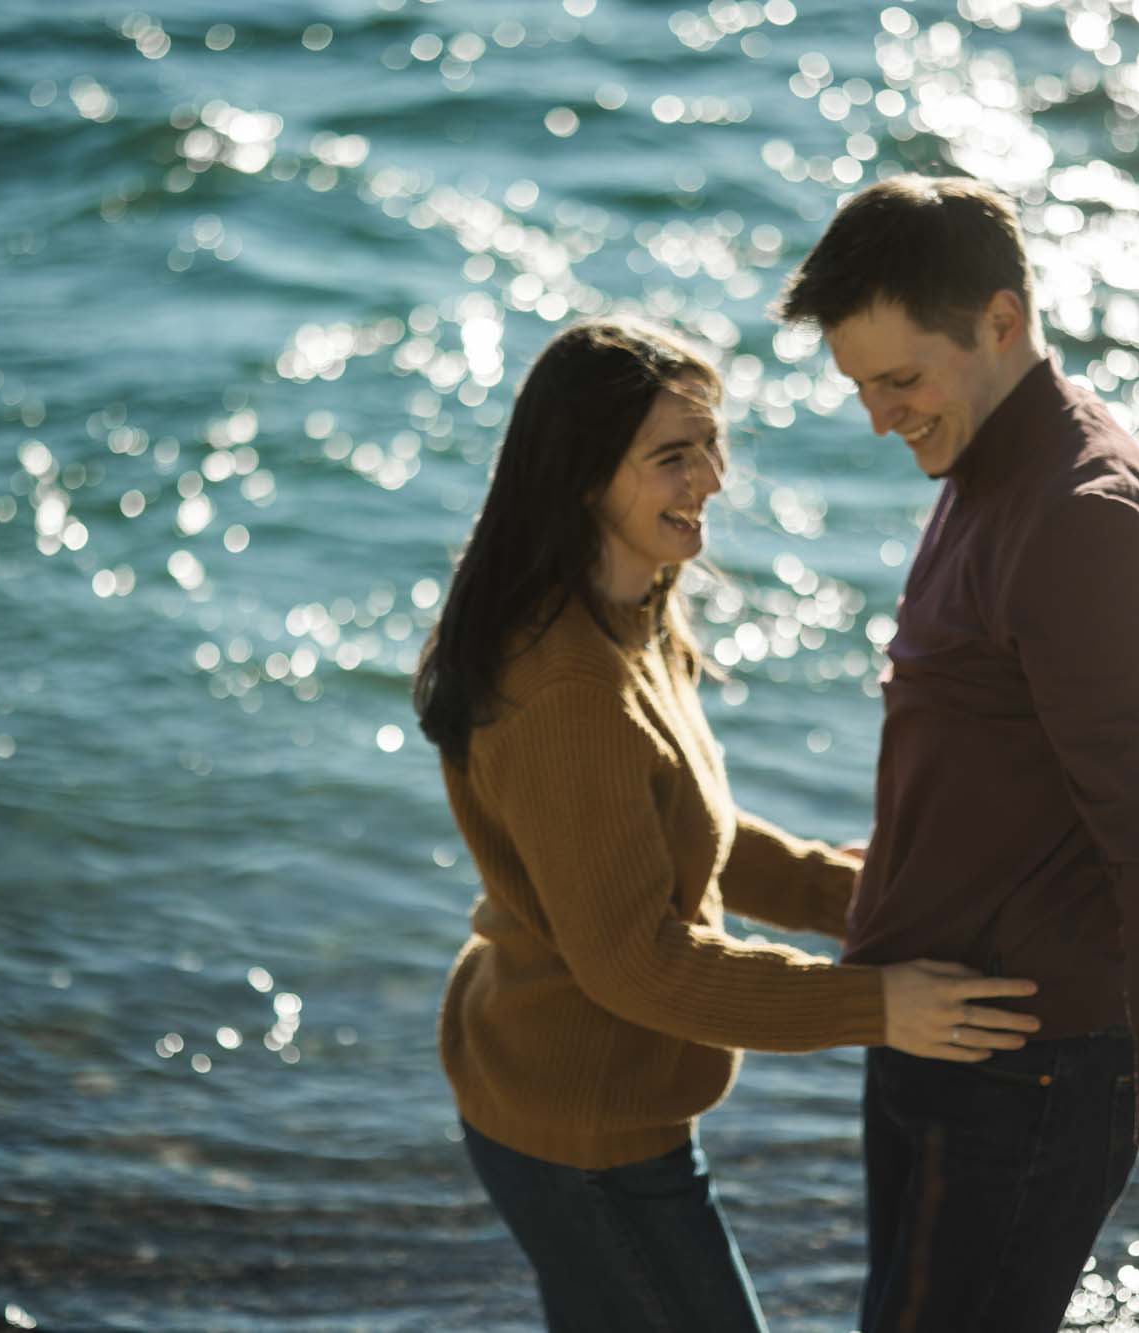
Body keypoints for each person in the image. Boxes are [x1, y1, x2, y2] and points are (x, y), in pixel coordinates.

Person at [413, 316, 1043, 1333]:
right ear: (583, 475)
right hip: (580, 1127)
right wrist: (875, 1005)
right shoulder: (566, 690)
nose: (709, 477)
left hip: (597, 1098)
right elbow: (639, 965)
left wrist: (845, 898)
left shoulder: (629, 607)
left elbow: (672, 827)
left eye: (710, 444)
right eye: (671, 457)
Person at [774, 174, 1139, 1332]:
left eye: (899, 380)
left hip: (1024, 1070)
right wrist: (895, 871)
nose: (881, 418)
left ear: (999, 322)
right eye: (859, 388)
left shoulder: (1081, 517)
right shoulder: (980, 463)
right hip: (933, 1039)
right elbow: (995, 752)